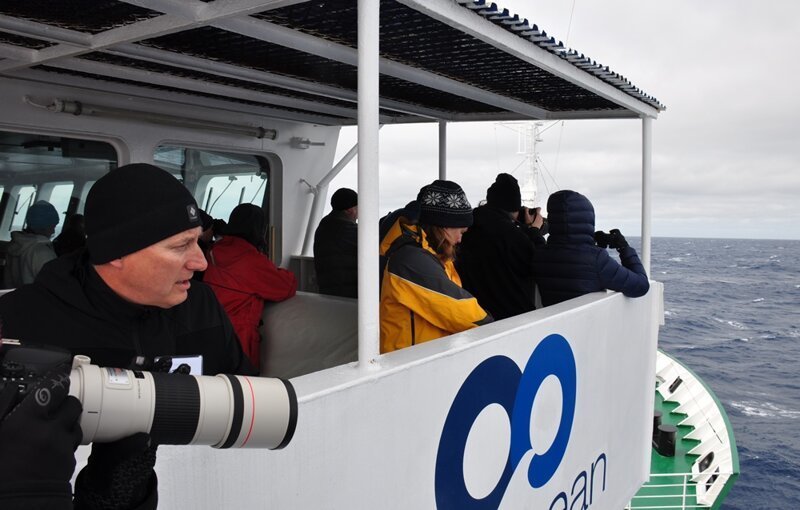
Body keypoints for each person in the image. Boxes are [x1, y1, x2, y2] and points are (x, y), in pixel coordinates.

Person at [0, 163, 256, 509]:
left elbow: (243, 390)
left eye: (198, 241)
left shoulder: (201, 305)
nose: (201, 262)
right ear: (116, 253)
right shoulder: (18, 321)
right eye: (180, 246)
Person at [379, 180, 492, 353]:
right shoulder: (411, 260)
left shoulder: (433, 256)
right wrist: (495, 329)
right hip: (407, 366)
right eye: (460, 232)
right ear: (443, 225)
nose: (460, 239)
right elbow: (460, 309)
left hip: (426, 358)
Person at [204, 203, 297, 369]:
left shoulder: (212, 251)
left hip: (208, 332)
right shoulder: (250, 259)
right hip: (237, 339)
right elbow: (286, 287)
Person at [533, 189, 649, 306]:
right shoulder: (596, 259)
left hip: (552, 323)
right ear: (588, 218)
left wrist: (593, 244)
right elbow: (641, 286)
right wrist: (624, 248)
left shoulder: (539, 254)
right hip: (587, 323)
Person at [457, 173, 546, 320]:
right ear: (514, 207)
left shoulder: (468, 229)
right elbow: (538, 262)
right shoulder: (511, 235)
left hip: (476, 314)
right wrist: (534, 230)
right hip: (511, 316)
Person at [313, 187, 358, 298]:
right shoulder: (346, 229)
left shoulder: (325, 224)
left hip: (328, 290)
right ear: (349, 210)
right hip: (345, 294)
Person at [3, 200, 60, 288]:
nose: (53, 231)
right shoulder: (43, 252)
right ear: (44, 226)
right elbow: (54, 286)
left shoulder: (15, 245)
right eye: (52, 226)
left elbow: (8, 280)